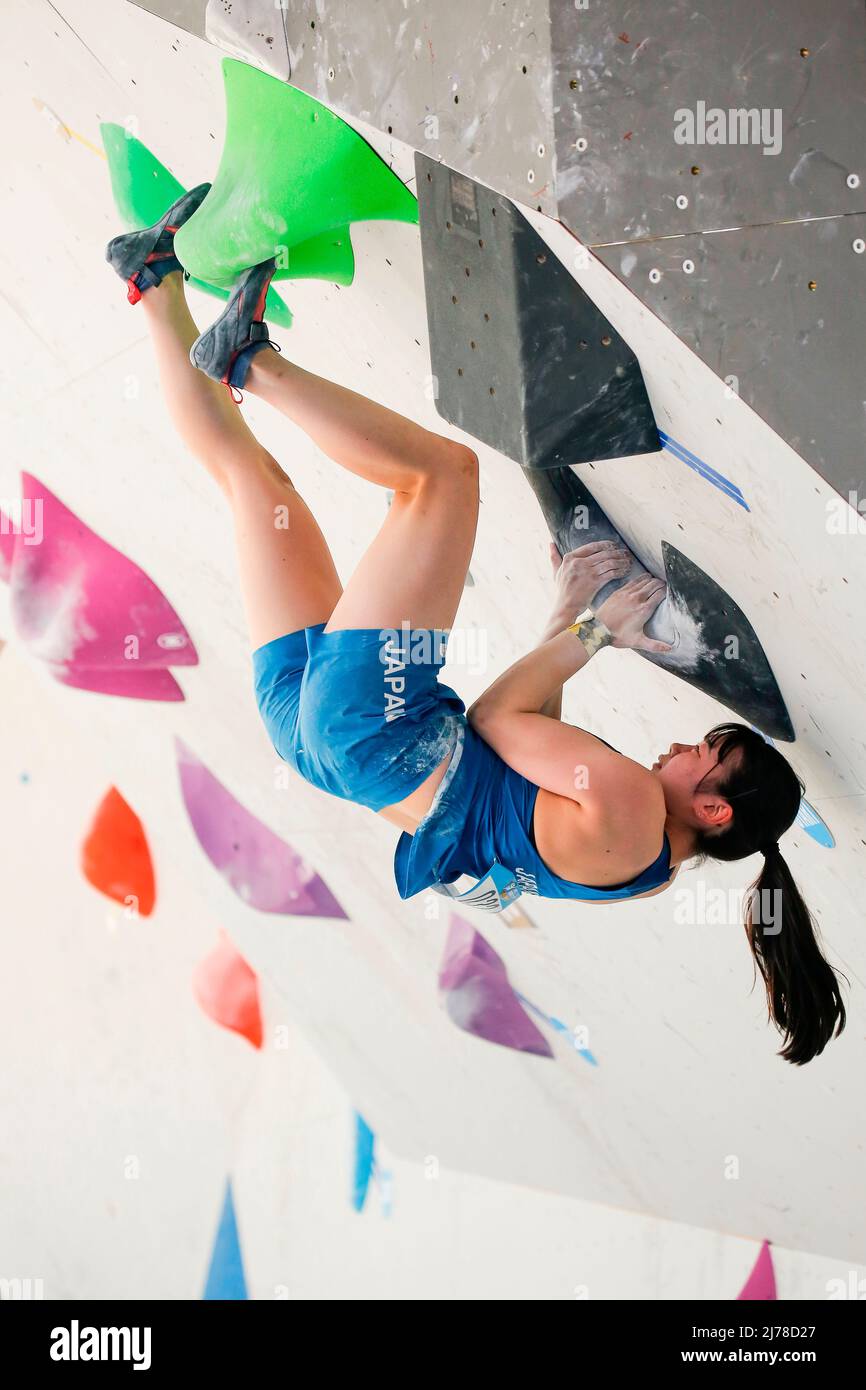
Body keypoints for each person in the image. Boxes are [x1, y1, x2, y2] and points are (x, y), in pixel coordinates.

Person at [106, 193, 847, 1065]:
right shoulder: (636, 871)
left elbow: (498, 723)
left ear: (714, 806)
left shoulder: (637, 810)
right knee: (256, 490)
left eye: (701, 754)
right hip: (323, 750)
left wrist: (600, 630)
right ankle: (153, 282)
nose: (678, 751)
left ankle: (250, 362)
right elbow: (527, 766)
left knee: (442, 478)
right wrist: (564, 622)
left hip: (380, 721)